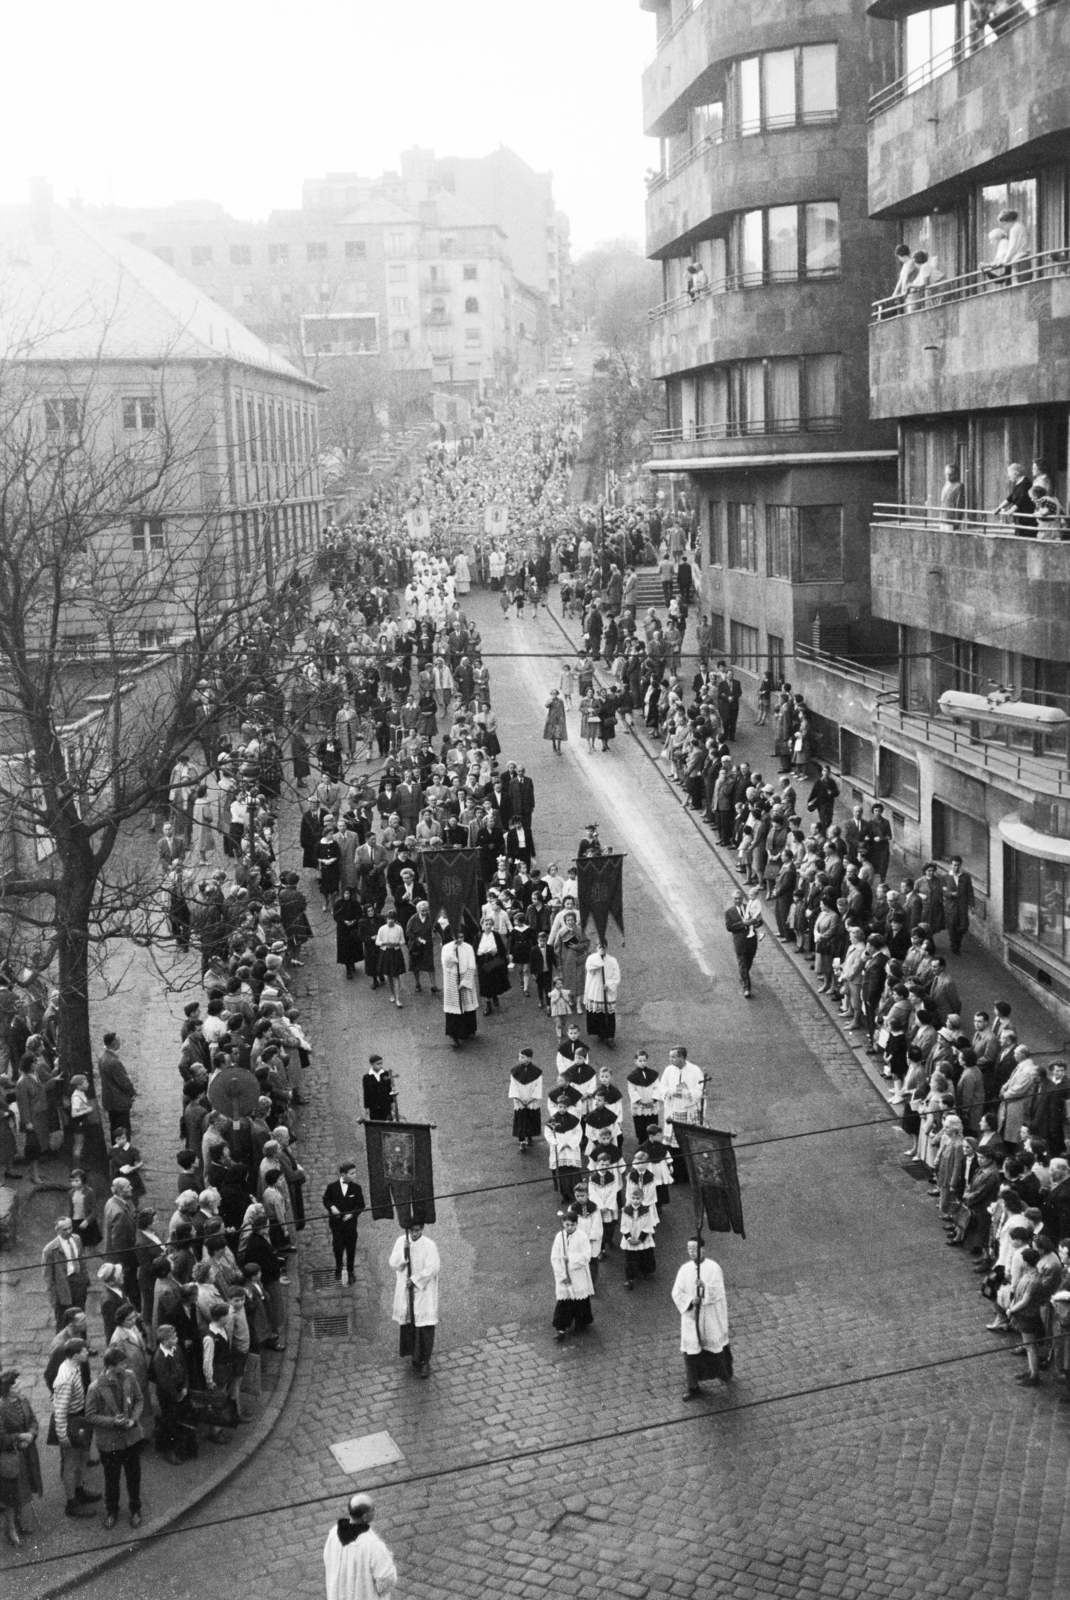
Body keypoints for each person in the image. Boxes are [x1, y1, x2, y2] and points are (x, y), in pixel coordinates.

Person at [85, 1345, 145, 1530]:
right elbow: (89, 1415)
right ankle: (112, 1511)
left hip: (131, 1438)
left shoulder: (129, 1376)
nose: (125, 1365)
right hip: (110, 1443)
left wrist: (133, 1420)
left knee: (134, 1477)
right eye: (121, 1363)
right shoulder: (95, 1388)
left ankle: (135, 1509)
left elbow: (139, 1400)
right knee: (112, 1479)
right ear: (110, 1366)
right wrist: (112, 1421)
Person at [672, 1237, 733, 1400]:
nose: (691, 1251)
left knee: (716, 1347)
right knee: (691, 1352)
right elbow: (676, 1292)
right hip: (692, 1316)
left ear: (703, 1249)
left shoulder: (713, 1268)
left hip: (710, 1316)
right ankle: (693, 1386)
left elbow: (718, 1292)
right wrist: (691, 1300)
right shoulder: (684, 1270)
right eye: (689, 1248)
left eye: (694, 1248)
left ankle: (726, 1373)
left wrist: (704, 1288)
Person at [323, 1492, 399, 1600]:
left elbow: (328, 1560)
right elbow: (386, 1578)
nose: (375, 1511)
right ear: (365, 1517)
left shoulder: (334, 1533)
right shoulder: (373, 1545)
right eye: (373, 1509)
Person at [389, 1222, 440, 1378]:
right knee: (410, 1324)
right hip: (406, 1292)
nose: (414, 1233)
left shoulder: (430, 1245)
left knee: (424, 1327)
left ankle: (425, 1362)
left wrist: (416, 1280)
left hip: (423, 1292)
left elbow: (433, 1267)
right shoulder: (401, 1242)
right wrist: (404, 1254)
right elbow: (393, 1262)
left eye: (417, 1230)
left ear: (422, 1230)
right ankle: (414, 1357)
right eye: (411, 1230)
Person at [0, 1370, 41, 1548]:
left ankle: (19, 1523)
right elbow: (1, 1438)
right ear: (5, 1389)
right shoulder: (1, 1408)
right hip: (10, 1457)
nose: (20, 1386)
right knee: (10, 1495)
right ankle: (10, 1530)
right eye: (15, 1385)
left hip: (26, 1454)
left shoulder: (23, 1400)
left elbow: (33, 1420)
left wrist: (31, 1435)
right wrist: (19, 1438)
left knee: (23, 1491)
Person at [550, 1206, 594, 1341]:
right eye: (566, 1225)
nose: (569, 1227)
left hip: (578, 1274)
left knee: (580, 1300)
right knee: (564, 1302)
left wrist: (571, 1258)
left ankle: (581, 1322)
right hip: (564, 1274)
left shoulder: (582, 1237)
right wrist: (562, 1276)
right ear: (563, 1224)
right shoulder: (559, 1237)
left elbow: (587, 1256)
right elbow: (555, 1257)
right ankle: (561, 1329)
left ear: (577, 1224)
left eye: (572, 1225)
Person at [42, 1216, 90, 1330]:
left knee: (80, 1317)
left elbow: (81, 1259)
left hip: (78, 1283)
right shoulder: (50, 1250)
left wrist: (85, 1279)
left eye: (70, 1228)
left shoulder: (77, 1239)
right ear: (58, 1231)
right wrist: (53, 1299)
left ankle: (82, 1346)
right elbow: (47, 1277)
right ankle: (63, 1347)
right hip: (63, 1287)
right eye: (65, 1229)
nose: (69, 1231)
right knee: (63, 1322)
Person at [323, 1162, 366, 1285]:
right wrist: (332, 1207)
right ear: (343, 1174)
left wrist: (352, 1214)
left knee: (351, 1249)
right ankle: (339, 1267)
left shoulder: (356, 1188)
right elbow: (326, 1199)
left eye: (355, 1173)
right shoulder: (332, 1187)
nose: (354, 1176)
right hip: (336, 1225)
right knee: (338, 1247)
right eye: (352, 1173)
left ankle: (351, 1271)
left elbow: (361, 1205)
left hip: (351, 1226)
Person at [97, 1031, 137, 1139]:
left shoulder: (102, 1057)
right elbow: (124, 1082)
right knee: (124, 1129)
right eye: (118, 1040)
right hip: (119, 1102)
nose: (120, 1042)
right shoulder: (114, 1062)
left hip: (110, 1100)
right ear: (114, 1043)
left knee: (114, 1127)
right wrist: (132, 1093)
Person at [441, 932, 478, 1048]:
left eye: (462, 937)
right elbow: (446, 965)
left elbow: (472, 965)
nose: (460, 940)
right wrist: (452, 952)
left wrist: (465, 981)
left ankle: (468, 1031)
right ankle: (454, 1037)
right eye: (457, 937)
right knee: (454, 1010)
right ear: (453, 937)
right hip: (452, 980)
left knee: (467, 1007)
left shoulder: (468, 947)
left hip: (465, 978)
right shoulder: (446, 948)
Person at [725, 888, 761, 999]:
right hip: (739, 941)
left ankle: (743, 976)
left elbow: (760, 921)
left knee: (749, 960)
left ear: (742, 898)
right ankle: (747, 987)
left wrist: (756, 922)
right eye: (735, 899)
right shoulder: (729, 912)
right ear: (733, 899)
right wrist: (742, 923)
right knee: (742, 963)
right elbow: (729, 927)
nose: (738, 900)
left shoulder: (749, 907)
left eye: (739, 898)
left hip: (751, 940)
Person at [583, 942, 620, 1046]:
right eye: (599, 947)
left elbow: (616, 976)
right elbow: (590, 969)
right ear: (597, 947)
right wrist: (600, 958)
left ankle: (610, 1037)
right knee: (598, 1014)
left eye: (603, 947)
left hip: (607, 991)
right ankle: (601, 1032)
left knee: (609, 1014)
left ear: (607, 947)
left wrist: (608, 984)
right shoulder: (592, 958)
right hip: (595, 989)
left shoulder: (612, 960)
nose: (602, 949)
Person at [509, 1048, 543, 1152]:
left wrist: (531, 1100)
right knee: (521, 1120)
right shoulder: (515, 1071)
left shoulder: (537, 1072)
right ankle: (522, 1141)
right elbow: (513, 1086)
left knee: (531, 1119)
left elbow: (538, 1086)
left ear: (529, 1058)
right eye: (519, 1056)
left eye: (522, 1057)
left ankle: (529, 1136)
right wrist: (518, 1099)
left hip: (531, 1100)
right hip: (520, 1101)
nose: (520, 1058)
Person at [945, 856, 976, 955]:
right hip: (951, 907)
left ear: (960, 865)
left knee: (964, 926)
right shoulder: (945, 877)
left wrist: (972, 905)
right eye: (954, 865)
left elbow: (970, 891)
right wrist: (950, 894)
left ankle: (955, 940)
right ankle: (955, 947)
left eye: (958, 865)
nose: (956, 868)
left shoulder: (965, 877)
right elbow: (943, 892)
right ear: (950, 865)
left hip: (962, 906)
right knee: (952, 926)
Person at [543, 689, 568, 755]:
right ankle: (554, 746)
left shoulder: (560, 701)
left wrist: (562, 719)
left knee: (559, 735)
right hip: (552, 720)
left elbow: (562, 710)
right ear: (551, 694)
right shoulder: (550, 701)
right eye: (553, 693)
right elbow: (546, 706)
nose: (554, 695)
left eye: (555, 693)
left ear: (557, 694)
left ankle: (559, 748)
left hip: (559, 720)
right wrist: (551, 701)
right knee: (553, 734)